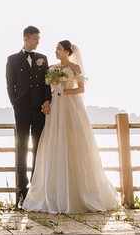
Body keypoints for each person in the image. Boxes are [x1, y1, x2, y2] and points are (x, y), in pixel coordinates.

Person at [22, 39, 120, 213]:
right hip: (55, 110)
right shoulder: (51, 68)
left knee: (74, 144)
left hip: (71, 107)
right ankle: (54, 194)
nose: (56, 51)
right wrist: (49, 99)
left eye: (59, 49)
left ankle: (79, 194)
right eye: (56, 49)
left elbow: (81, 89)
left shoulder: (76, 68)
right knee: (54, 144)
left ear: (67, 51)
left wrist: (64, 91)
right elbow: (47, 90)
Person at [6, 25, 52, 208]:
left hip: (40, 110)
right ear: (26, 38)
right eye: (35, 39)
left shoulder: (43, 58)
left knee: (39, 149)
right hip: (22, 111)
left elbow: (47, 84)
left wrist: (48, 100)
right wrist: (16, 104)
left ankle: (36, 190)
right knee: (22, 148)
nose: (38, 42)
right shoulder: (12, 59)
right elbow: (10, 86)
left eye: (38, 39)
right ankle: (21, 191)